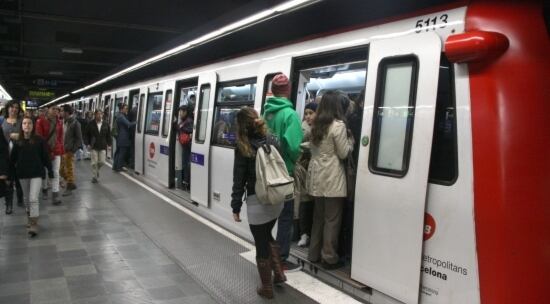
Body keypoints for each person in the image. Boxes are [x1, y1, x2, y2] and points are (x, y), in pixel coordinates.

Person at [231, 107, 285, 299]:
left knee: (261, 242)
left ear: (241, 126)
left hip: (258, 200)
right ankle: (278, 274)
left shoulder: (243, 146)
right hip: (276, 199)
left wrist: (235, 206)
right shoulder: (272, 139)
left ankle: (267, 287)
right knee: (267, 233)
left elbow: (239, 180)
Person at [307, 91, 353, 269]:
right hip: (332, 176)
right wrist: (351, 141)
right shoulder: (338, 125)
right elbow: (343, 152)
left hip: (317, 175)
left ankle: (313, 253)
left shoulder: (316, 124)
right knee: (332, 219)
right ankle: (329, 257)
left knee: (318, 217)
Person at [263, 73, 303, 271]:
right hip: (284, 174)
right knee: (285, 217)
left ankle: (267, 254)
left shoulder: (266, 113)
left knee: (269, 217)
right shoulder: (290, 115)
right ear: (287, 90)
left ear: (273, 90)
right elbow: (294, 146)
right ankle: (281, 259)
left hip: (267, 171)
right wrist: (294, 159)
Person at [9, 117, 54, 237]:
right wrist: (10, 175)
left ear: (33, 126)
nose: (27, 125)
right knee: (26, 198)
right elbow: (12, 160)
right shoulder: (18, 141)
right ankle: (29, 216)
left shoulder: (40, 140)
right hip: (22, 174)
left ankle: (34, 223)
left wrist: (50, 171)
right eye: (24, 123)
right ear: (21, 126)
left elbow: (46, 157)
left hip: (36, 173)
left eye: (29, 123)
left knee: (33, 198)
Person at [296, 102, 317, 247]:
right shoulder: (302, 129)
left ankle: (309, 234)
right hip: (303, 170)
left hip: (314, 171)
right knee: (304, 202)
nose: (308, 116)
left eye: (311, 113)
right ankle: (304, 233)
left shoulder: (321, 128)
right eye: (306, 113)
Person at [35, 105, 63, 205]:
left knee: (55, 172)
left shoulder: (59, 122)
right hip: (44, 151)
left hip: (56, 150)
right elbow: (39, 138)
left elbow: (60, 137)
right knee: (45, 171)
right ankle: (45, 189)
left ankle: (55, 195)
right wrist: (46, 150)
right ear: (48, 110)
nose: (55, 111)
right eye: (53, 109)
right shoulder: (40, 121)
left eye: (57, 109)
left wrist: (60, 148)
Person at [1, 101, 24, 213]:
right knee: (8, 181)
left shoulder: (22, 122)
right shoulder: (1, 121)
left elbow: (28, 135)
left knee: (20, 180)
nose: (14, 109)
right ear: (7, 108)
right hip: (6, 157)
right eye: (12, 107)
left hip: (20, 156)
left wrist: (19, 136)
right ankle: (8, 205)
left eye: (16, 108)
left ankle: (20, 199)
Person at [60, 105, 82, 196]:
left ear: (67, 112)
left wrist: (73, 150)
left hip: (69, 150)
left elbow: (79, 138)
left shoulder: (75, 123)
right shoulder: (63, 122)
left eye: (61, 111)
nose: (60, 112)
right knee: (60, 170)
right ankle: (71, 182)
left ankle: (69, 186)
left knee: (69, 169)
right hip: (62, 149)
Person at [84, 110, 111, 183]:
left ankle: (96, 171)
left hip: (103, 145)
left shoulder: (106, 124)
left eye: (101, 114)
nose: (99, 116)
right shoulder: (90, 124)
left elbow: (108, 135)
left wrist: (109, 144)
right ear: (95, 115)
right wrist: (87, 144)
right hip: (93, 145)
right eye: (98, 114)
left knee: (102, 161)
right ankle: (94, 177)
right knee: (94, 162)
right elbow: (86, 134)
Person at [113, 104, 136, 172]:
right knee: (122, 153)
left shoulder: (119, 115)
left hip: (120, 137)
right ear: (121, 109)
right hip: (123, 137)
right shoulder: (121, 117)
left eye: (127, 108)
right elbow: (128, 124)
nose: (127, 110)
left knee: (118, 152)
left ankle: (115, 166)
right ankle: (119, 167)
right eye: (125, 108)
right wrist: (137, 122)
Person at [177, 104, 193, 190]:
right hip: (184, 145)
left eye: (181, 112)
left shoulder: (189, 121)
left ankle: (186, 182)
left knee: (186, 163)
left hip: (188, 145)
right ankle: (185, 181)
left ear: (185, 112)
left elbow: (190, 130)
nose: (180, 113)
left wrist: (182, 128)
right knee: (184, 163)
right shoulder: (183, 121)